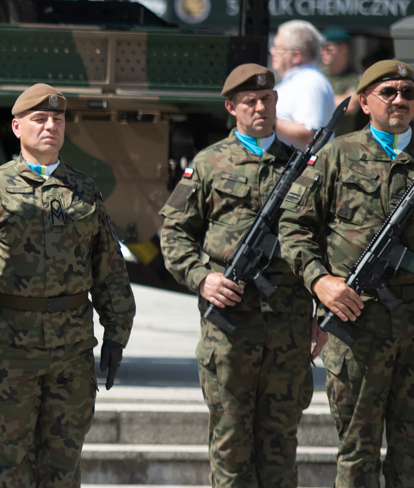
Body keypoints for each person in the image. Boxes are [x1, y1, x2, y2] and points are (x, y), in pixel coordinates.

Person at [0, 83, 135, 488]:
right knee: (9, 467)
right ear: (16, 127)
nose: (51, 126)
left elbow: (109, 268)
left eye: (58, 119)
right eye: (40, 119)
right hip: (11, 351)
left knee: (64, 469)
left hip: (72, 351)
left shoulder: (84, 190)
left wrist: (117, 332)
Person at [159, 63, 321, 488]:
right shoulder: (208, 163)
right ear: (232, 107)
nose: (260, 107)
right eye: (249, 101)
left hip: (288, 329)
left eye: (266, 99)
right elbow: (174, 234)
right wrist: (202, 278)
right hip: (230, 331)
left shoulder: (303, 167)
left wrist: (320, 315)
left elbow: (324, 244)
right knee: (231, 443)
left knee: (281, 442)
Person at [279, 59, 414, 488]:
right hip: (357, 326)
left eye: (407, 92)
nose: (399, 100)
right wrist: (321, 281)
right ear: (364, 102)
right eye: (387, 92)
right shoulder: (337, 154)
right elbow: (293, 227)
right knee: (357, 452)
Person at [271, 20, 335, 148]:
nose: (272, 51)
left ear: (296, 55)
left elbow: (312, 134)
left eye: (278, 48)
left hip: (303, 167)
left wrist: (268, 121)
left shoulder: (310, 82)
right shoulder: (298, 80)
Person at [320, 27, 361, 136]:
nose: (323, 52)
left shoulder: (353, 77)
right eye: (322, 48)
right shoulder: (319, 75)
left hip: (343, 143)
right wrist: (339, 99)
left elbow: (351, 105)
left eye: (328, 48)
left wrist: (320, 102)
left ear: (343, 49)